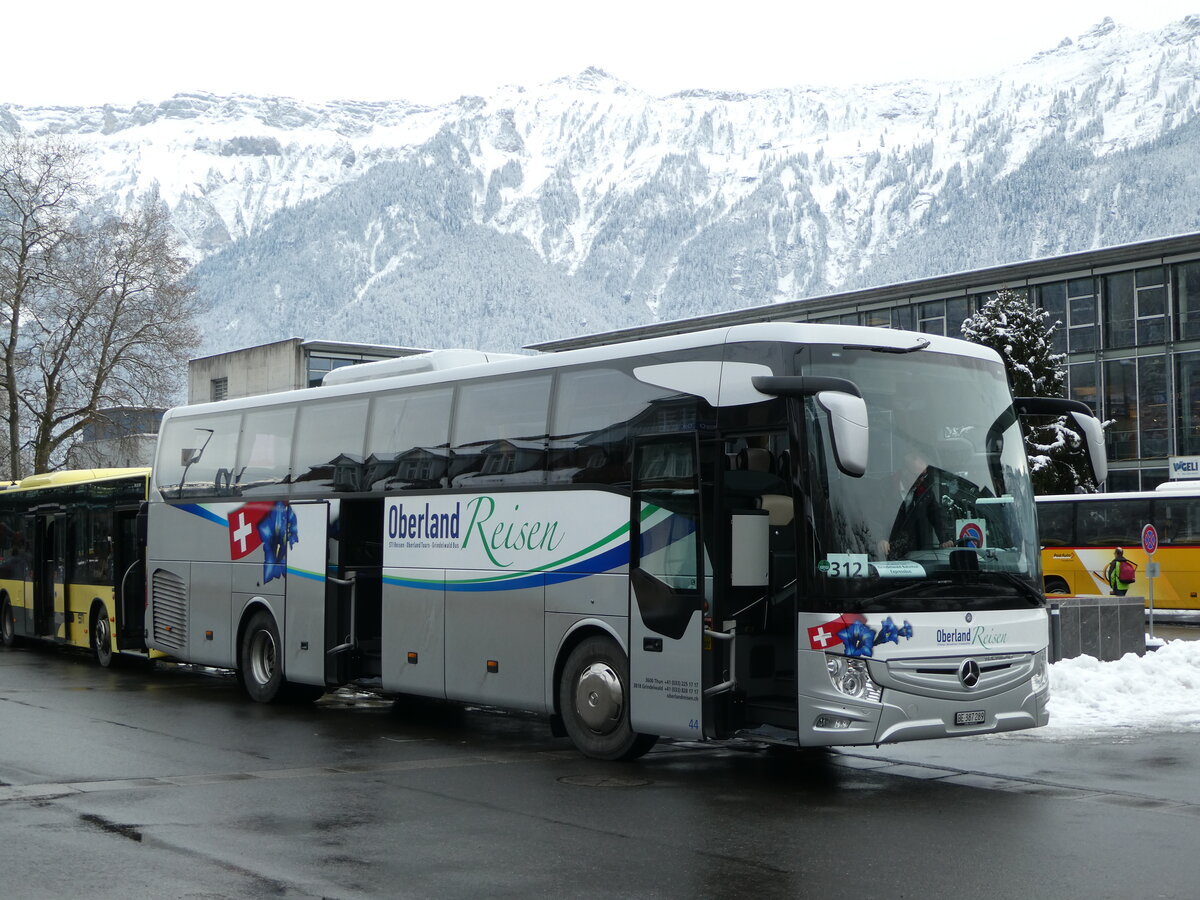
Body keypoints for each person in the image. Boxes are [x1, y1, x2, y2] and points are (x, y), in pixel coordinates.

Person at [879, 447, 955, 559]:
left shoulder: (925, 492)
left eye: (924, 475)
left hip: (916, 554)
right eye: (919, 476)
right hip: (888, 552)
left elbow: (937, 516)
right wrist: (880, 538)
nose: (922, 480)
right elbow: (876, 516)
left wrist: (945, 539)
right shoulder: (885, 488)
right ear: (905, 472)